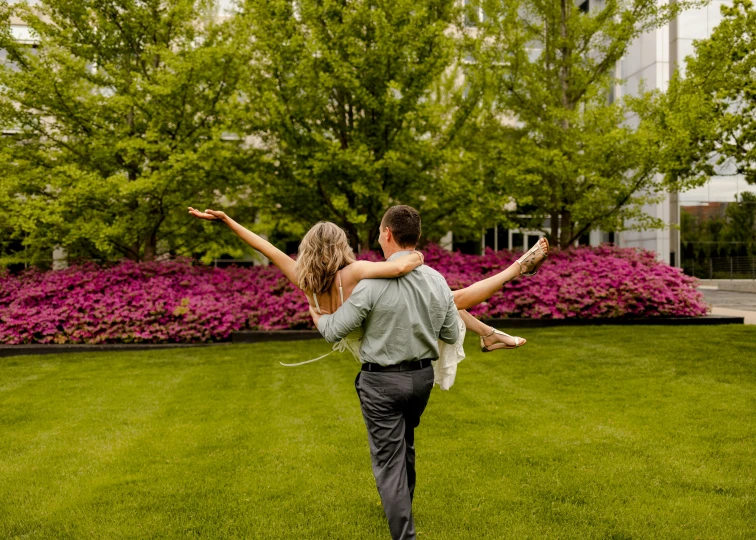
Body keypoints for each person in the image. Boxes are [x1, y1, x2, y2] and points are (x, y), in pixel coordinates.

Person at [187, 206, 548, 387]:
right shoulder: (355, 271)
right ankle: (515, 273)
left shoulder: (303, 277)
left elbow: (265, 247)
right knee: (450, 298)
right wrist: (416, 257)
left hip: (357, 336)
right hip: (372, 329)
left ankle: (487, 331)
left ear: (307, 250)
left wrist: (228, 222)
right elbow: (394, 269)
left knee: (442, 299)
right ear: (339, 245)